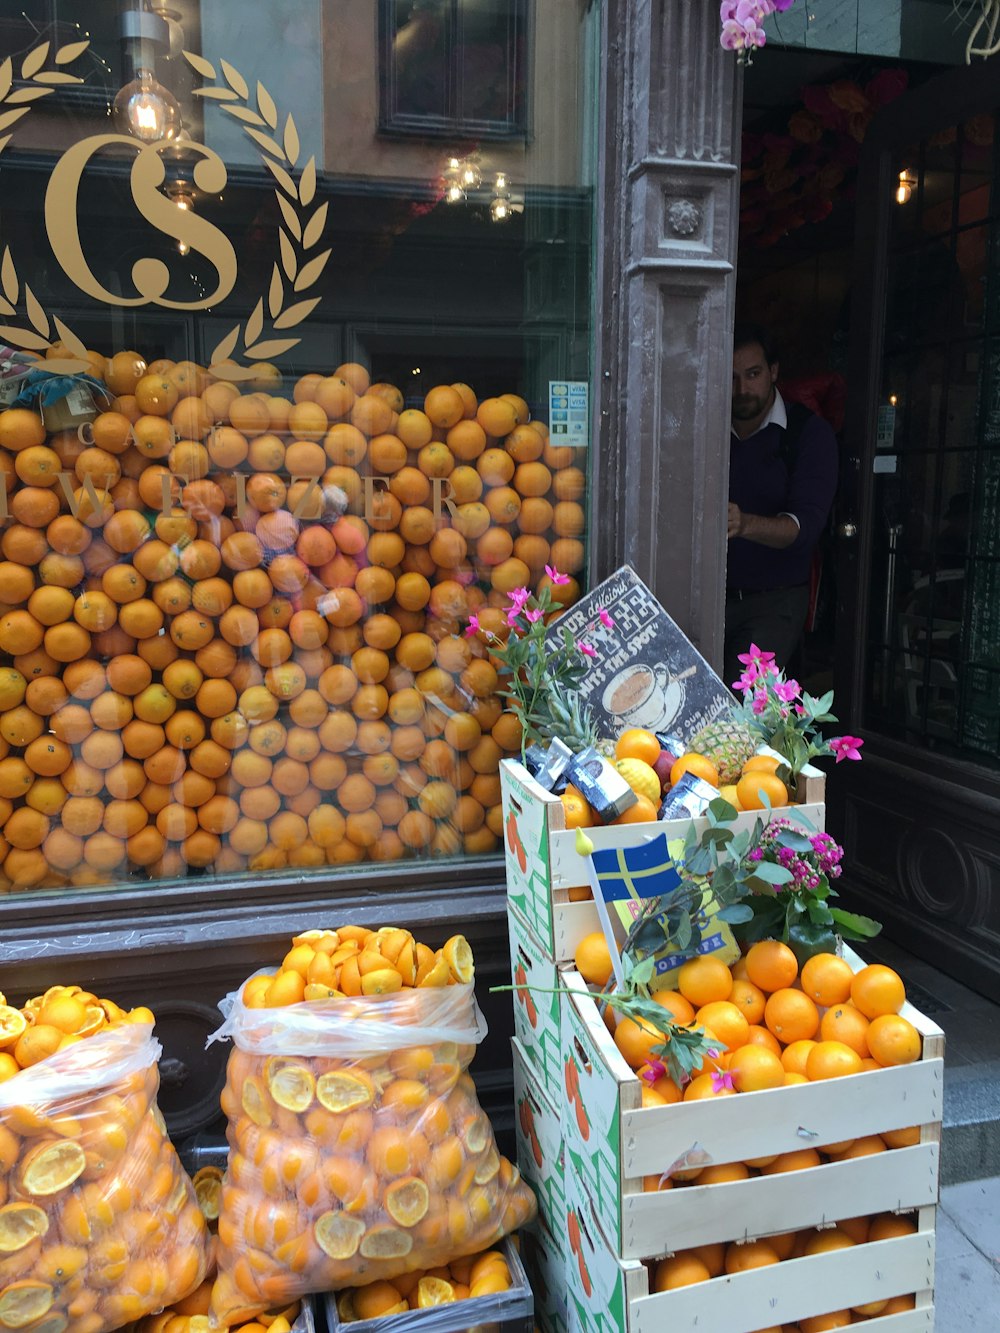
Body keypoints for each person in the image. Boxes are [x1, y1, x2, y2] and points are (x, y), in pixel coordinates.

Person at [725, 323, 839, 688]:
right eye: (731, 377)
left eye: (753, 374)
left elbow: (804, 528)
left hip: (775, 601)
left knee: (742, 709)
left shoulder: (809, 434)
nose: (741, 389)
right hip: (707, 597)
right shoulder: (705, 430)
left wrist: (743, 524)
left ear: (774, 371)